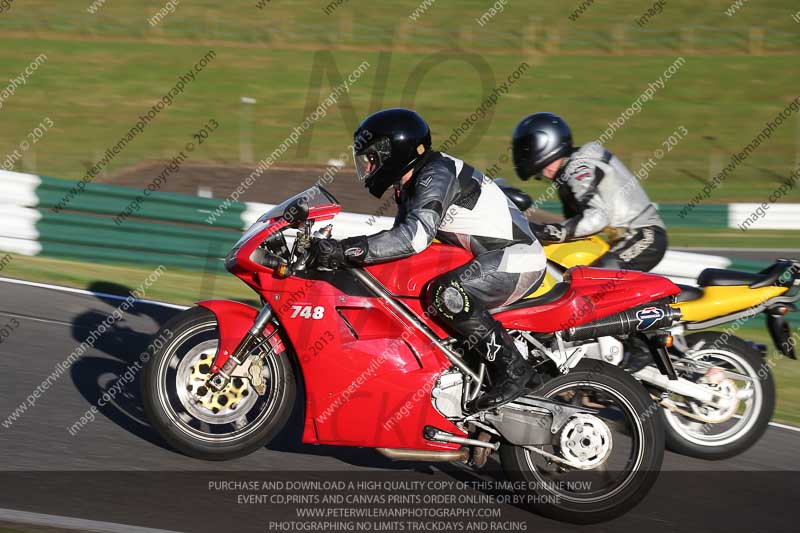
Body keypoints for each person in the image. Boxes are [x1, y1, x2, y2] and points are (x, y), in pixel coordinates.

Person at [309, 108, 546, 411]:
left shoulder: (435, 174)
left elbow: (414, 237)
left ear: (393, 152)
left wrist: (346, 250)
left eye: (371, 158)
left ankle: (514, 369)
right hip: (494, 256)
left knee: (446, 294)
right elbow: (396, 246)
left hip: (516, 258)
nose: (367, 167)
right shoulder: (410, 184)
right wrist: (339, 254)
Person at [511, 112, 667, 272]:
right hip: (628, 239)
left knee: (591, 283)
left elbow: (598, 218)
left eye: (526, 149)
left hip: (645, 237)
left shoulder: (578, 168)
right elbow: (577, 225)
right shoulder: (570, 171)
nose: (540, 176)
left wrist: (550, 231)